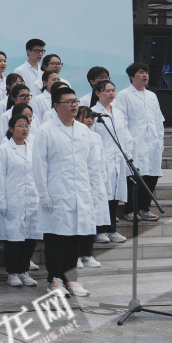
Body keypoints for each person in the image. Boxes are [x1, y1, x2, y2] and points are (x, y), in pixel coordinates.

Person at [31, 87, 102, 297]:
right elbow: (39, 164)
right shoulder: (46, 130)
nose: (74, 105)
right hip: (56, 193)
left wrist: (94, 192)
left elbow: (93, 165)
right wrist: (43, 192)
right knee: (56, 239)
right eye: (68, 101)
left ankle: (71, 281)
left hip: (80, 192)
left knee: (75, 238)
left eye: (75, 101)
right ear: (56, 106)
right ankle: (55, 280)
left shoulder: (84, 131)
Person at [0, 112, 41, 287]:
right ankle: (12, 273)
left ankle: (24, 270)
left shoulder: (33, 147)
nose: (24, 129)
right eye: (20, 126)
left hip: (32, 199)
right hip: (13, 199)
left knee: (30, 237)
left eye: (27, 126)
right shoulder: (4, 149)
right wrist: (1, 200)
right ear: (11, 129)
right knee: (13, 238)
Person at [116, 62, 165, 222]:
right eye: (141, 73)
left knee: (151, 175)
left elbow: (158, 120)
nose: (145, 76)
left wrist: (160, 141)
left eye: (147, 73)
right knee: (135, 176)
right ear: (131, 76)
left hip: (152, 143)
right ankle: (130, 210)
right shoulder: (124, 95)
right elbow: (121, 121)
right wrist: (126, 144)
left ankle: (144, 208)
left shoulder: (152, 96)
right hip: (134, 143)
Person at [91, 79, 130, 244]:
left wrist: (128, 155)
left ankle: (112, 229)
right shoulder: (92, 113)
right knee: (102, 196)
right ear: (97, 93)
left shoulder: (118, 113)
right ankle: (99, 230)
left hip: (117, 161)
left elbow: (125, 136)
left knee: (114, 196)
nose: (111, 93)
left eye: (113, 90)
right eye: (107, 90)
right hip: (102, 161)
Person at [76, 106, 109, 269]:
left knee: (91, 222)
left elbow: (100, 161)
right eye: (85, 117)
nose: (90, 120)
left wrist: (100, 184)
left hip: (95, 184)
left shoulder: (96, 136)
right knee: (77, 223)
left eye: (91, 117)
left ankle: (87, 255)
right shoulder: (75, 135)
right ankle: (75, 255)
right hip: (79, 184)